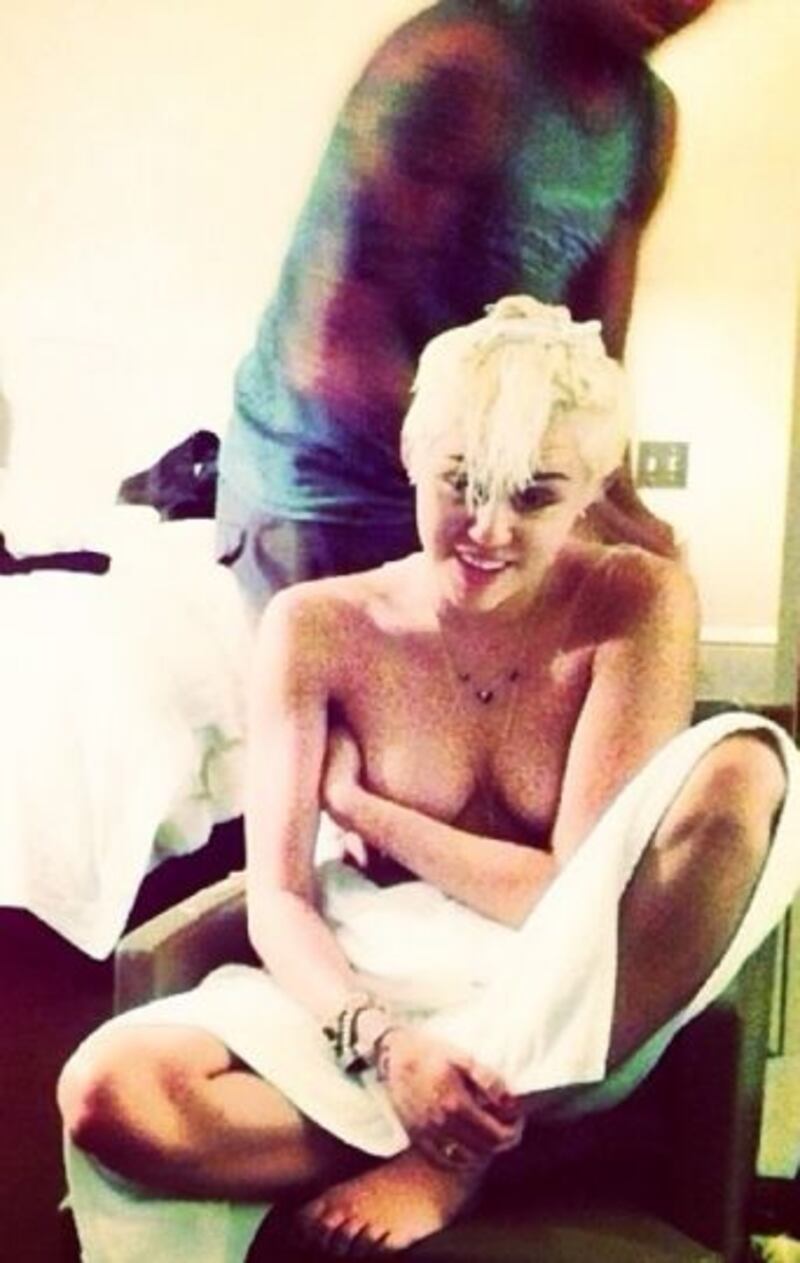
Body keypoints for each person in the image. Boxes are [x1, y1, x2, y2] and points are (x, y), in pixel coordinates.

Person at [59, 296, 799, 1261]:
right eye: (461, 483)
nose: (487, 528)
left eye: (534, 495)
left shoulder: (635, 599)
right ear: (413, 461)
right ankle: (500, 1136)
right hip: (367, 971)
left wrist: (364, 808)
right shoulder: (315, 623)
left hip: (558, 997)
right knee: (108, 1094)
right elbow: (279, 896)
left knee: (747, 766)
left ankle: (460, 1153)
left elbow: (565, 900)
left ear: (590, 488)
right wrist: (385, 1045)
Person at [216, 0, 719, 609]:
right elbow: (335, 355)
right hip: (327, 495)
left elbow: (595, 357)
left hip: (477, 480)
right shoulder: (463, 62)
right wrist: (536, 487)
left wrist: (618, 502)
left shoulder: (650, 120)